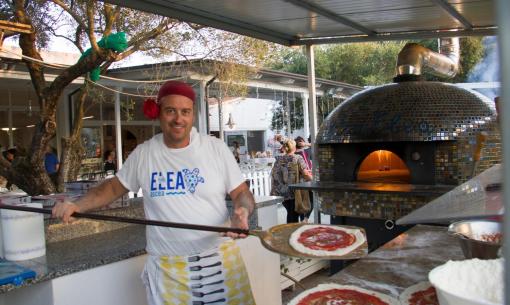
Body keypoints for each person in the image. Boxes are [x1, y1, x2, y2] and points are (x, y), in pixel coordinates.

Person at [52, 80, 256, 305]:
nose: (178, 119)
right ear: (159, 113)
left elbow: (242, 193)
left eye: (185, 112)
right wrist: (77, 205)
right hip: (169, 270)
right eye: (171, 111)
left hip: (220, 261)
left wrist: (243, 211)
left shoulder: (215, 149)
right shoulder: (144, 154)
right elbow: (112, 187)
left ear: (193, 116)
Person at [270, 139, 312, 223]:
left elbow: (274, 174)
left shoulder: (278, 159)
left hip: (280, 192)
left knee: (290, 213)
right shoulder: (297, 158)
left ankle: (290, 231)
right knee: (293, 215)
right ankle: (291, 232)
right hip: (293, 192)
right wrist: (313, 180)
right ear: (294, 148)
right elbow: (305, 174)